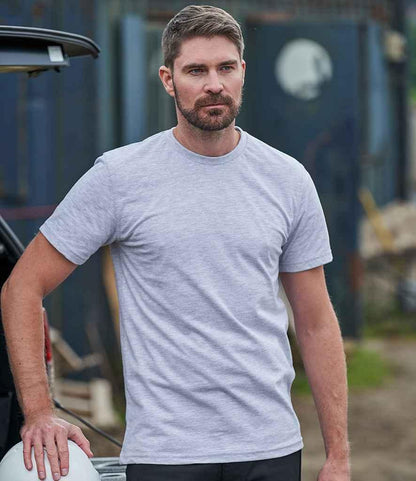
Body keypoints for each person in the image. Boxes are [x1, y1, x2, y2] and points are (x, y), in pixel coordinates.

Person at [1, 5, 350, 481]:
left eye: (225, 68)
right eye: (196, 71)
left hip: (270, 448)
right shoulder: (121, 177)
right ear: (168, 80)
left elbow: (315, 322)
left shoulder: (288, 179)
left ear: (242, 72)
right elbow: (21, 288)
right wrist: (39, 412)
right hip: (166, 454)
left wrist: (338, 456)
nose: (214, 84)